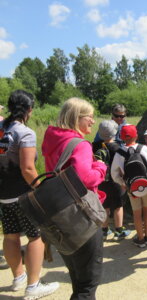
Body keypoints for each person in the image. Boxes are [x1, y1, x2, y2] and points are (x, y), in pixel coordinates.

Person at [42, 97, 107, 299]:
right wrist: (100, 168)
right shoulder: (80, 145)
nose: (92, 121)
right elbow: (84, 178)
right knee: (87, 284)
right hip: (80, 218)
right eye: (90, 117)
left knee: (77, 278)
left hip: (59, 215)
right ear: (77, 118)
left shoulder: (52, 140)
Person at [0, 90, 59, 299]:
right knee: (35, 238)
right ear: (29, 110)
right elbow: (27, 169)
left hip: (4, 194)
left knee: (10, 235)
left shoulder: (1, 128)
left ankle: (18, 277)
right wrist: (40, 189)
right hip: (23, 195)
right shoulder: (24, 133)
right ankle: (33, 286)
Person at [111, 124, 147, 248]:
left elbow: (114, 173)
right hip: (145, 185)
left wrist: (123, 184)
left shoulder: (119, 153)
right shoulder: (143, 148)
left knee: (137, 213)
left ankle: (140, 239)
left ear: (121, 137)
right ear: (136, 136)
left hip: (132, 187)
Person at [93, 120, 131, 241]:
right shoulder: (117, 148)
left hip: (101, 180)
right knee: (118, 206)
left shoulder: (94, 146)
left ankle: (105, 230)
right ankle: (119, 230)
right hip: (116, 181)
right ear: (115, 133)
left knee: (105, 205)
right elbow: (123, 165)